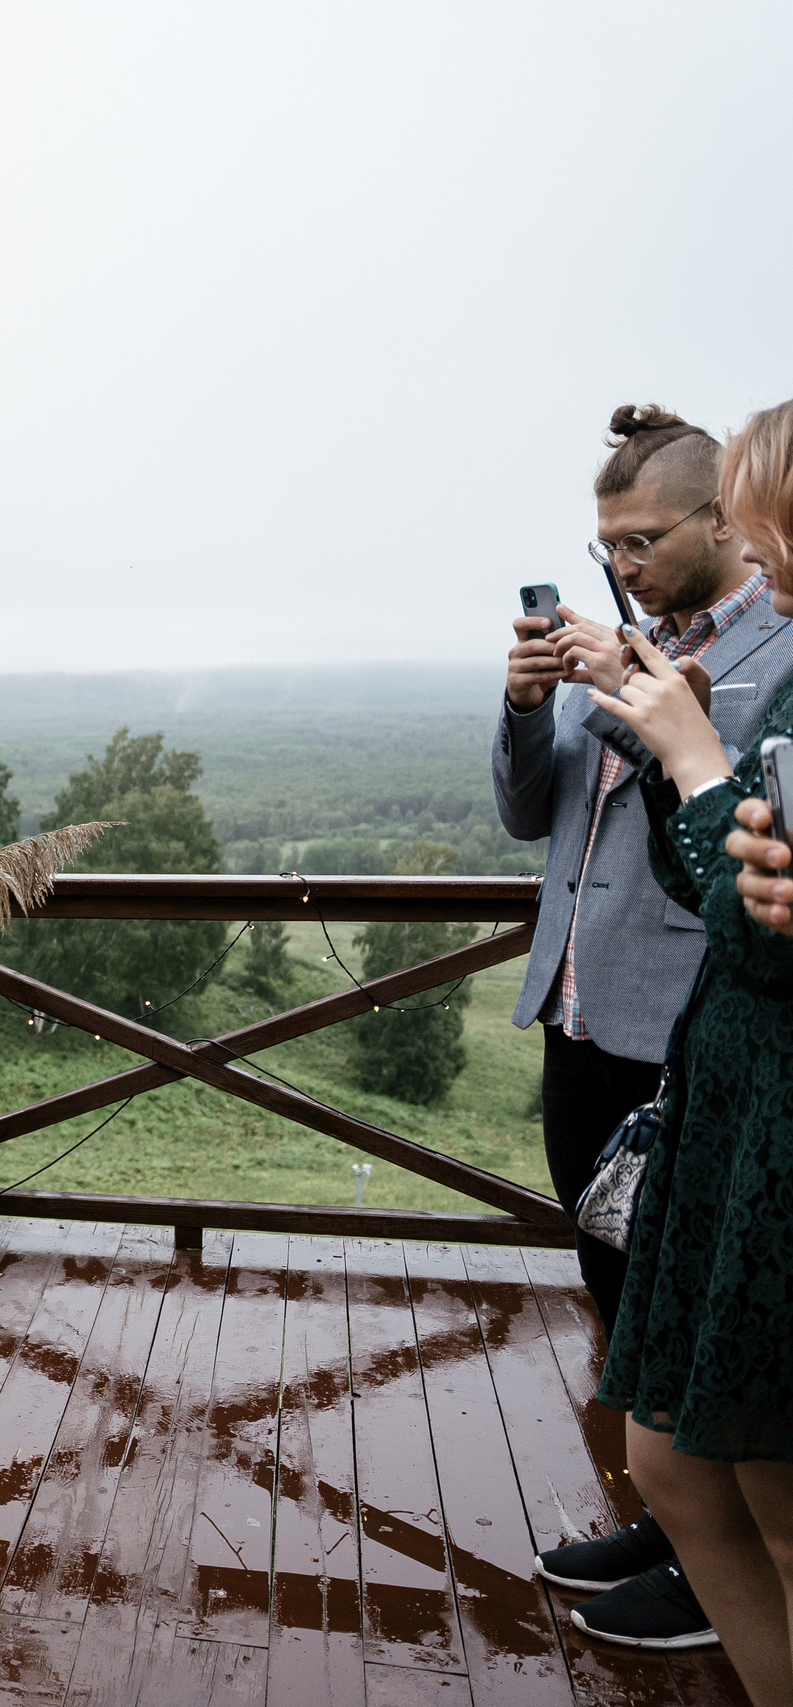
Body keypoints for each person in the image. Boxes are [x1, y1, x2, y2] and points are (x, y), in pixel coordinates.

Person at [498, 406, 792, 1648]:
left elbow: (728, 823)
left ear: (724, 522)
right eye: (603, 543)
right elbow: (531, 815)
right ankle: (673, 1511)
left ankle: (706, 1558)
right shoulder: (619, 646)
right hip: (575, 1003)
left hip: (695, 1015)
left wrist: (648, 714)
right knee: (623, 1282)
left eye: (640, 538)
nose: (619, 563)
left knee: (703, 1299)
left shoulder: (775, 644)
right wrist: (526, 707)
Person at [584, 395, 793, 1706]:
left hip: (773, 1103)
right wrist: (687, 768)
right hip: (729, 1085)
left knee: (773, 1485)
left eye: (769, 531)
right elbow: (704, 881)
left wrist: (699, 756)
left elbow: (764, 934)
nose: (763, 560)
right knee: (672, 1459)